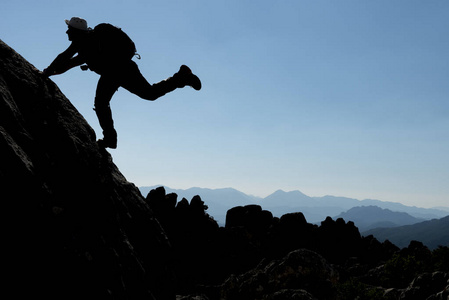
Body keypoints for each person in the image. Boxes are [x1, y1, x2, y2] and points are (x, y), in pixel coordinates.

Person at [43, 17, 201, 149]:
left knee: (102, 103)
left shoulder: (82, 43)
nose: (66, 32)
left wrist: (47, 72)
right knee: (149, 94)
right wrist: (50, 72)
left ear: (75, 32)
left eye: (69, 29)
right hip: (124, 69)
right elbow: (67, 63)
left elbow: (64, 58)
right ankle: (182, 77)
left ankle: (110, 139)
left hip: (115, 72)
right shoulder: (88, 42)